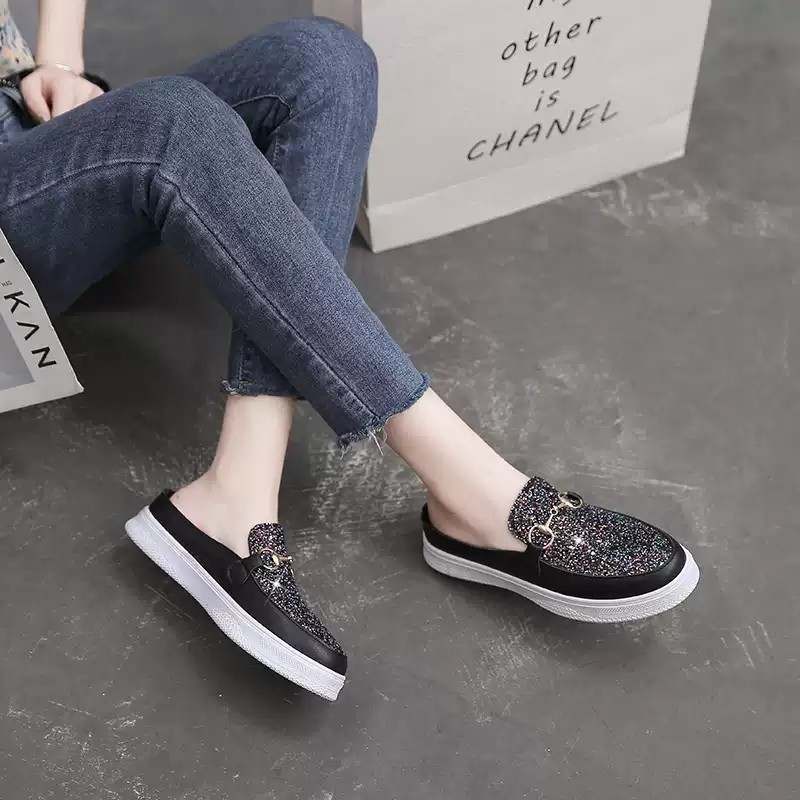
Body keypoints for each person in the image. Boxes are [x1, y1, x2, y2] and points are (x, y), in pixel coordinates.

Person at [0, 0, 699, 701]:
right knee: (170, 121)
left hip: (25, 117)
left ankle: (240, 483)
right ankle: (471, 483)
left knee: (326, 61)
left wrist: (57, 59)